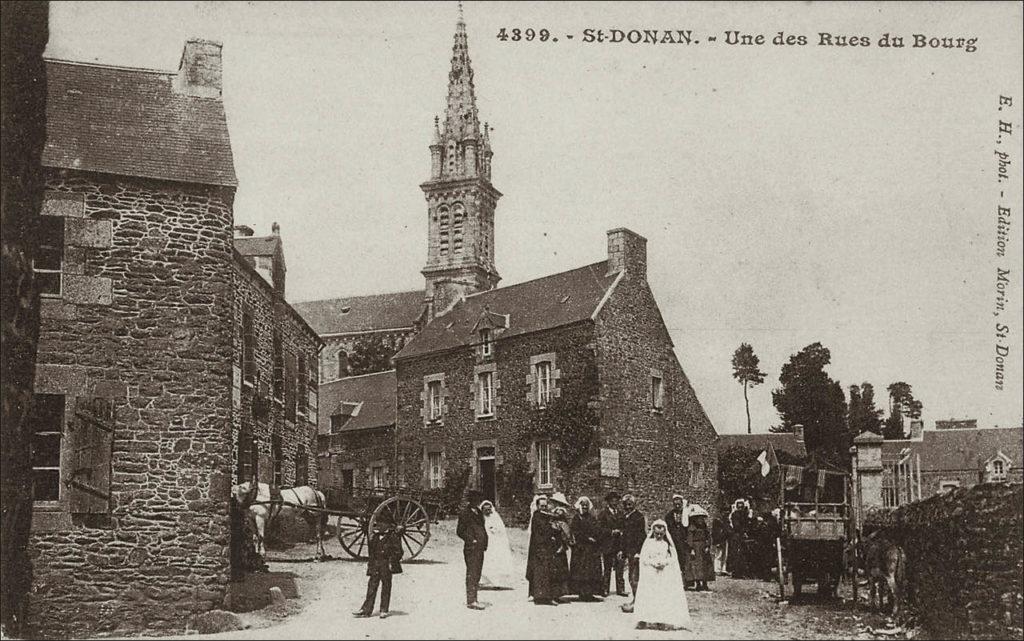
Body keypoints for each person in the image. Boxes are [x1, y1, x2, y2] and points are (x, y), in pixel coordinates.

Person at [633, 520, 692, 631]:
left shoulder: (666, 545)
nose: (659, 536)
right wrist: (653, 563)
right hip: (650, 573)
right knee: (648, 595)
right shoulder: (648, 543)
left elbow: (673, 558)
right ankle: (643, 619)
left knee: (661, 596)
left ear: (665, 533)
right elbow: (644, 558)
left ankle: (661, 619)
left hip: (662, 573)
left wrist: (664, 563)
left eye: (661, 534)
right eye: (657, 533)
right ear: (653, 532)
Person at [352, 526, 403, 619]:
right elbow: (371, 554)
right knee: (372, 586)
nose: (378, 527)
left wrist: (391, 561)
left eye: (381, 525)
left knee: (386, 587)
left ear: (386, 526)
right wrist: (370, 566)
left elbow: (399, 552)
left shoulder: (392, 537)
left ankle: (384, 610)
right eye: (377, 525)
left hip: (386, 565)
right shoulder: (374, 537)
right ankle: (366, 609)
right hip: (376, 564)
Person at [526, 494, 563, 605]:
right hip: (539, 548)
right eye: (542, 506)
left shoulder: (547, 516)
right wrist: (551, 532)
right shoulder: (537, 516)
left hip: (546, 548)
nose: (544, 508)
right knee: (542, 573)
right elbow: (542, 531)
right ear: (538, 507)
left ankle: (545, 596)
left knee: (548, 572)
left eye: (545, 506)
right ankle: (542, 597)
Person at [456, 489, 488, 610]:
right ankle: (471, 600)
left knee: (477, 573)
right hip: (471, 547)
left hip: (479, 547)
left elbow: (482, 528)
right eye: (476, 500)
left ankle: (474, 598)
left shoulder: (479, 513)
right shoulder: (465, 513)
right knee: (472, 573)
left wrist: (484, 542)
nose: (478, 502)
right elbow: (460, 531)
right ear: (472, 500)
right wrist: (471, 540)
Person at [569, 496, 604, 601]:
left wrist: (596, 537)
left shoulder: (591, 517)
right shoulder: (576, 518)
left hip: (591, 549)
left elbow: (597, 529)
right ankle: (582, 593)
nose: (584, 507)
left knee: (591, 571)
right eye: (583, 505)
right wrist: (587, 538)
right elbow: (575, 532)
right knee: (581, 571)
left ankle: (590, 593)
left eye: (586, 505)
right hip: (581, 549)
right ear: (579, 506)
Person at [479, 500, 516, 588]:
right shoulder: (480, 518)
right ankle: (484, 581)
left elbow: (501, 530)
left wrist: (495, 530)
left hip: (495, 542)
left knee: (496, 561)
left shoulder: (495, 517)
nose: (488, 512)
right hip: (485, 542)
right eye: (485, 510)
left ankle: (497, 582)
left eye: (489, 509)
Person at [620, 494, 647, 612]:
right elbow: (624, 536)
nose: (628, 507)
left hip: (636, 552)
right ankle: (636, 599)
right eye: (626, 505)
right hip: (629, 551)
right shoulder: (625, 517)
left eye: (630, 504)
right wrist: (622, 551)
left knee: (635, 577)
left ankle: (638, 601)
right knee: (631, 577)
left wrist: (638, 552)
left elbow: (641, 536)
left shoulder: (638, 517)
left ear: (634, 505)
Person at [597, 491, 627, 597]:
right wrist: (611, 531)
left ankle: (621, 589)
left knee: (620, 567)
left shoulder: (621, 513)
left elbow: (624, 526)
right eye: (612, 500)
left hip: (618, 544)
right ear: (608, 502)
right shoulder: (603, 514)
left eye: (616, 500)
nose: (615, 502)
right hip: (608, 544)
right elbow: (600, 529)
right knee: (607, 568)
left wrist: (621, 531)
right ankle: (605, 589)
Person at [684, 504, 714, 591]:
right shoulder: (692, 527)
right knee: (696, 566)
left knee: (705, 566)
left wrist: (708, 546)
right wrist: (692, 549)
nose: (700, 520)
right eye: (698, 518)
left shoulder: (704, 527)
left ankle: (705, 583)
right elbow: (690, 539)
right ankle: (698, 584)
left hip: (703, 548)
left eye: (701, 518)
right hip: (696, 548)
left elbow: (708, 536)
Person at [549, 493, 574, 600]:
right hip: (552, 545)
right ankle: (553, 593)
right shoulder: (551, 516)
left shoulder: (562, 519)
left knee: (559, 569)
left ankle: (558, 593)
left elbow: (566, 534)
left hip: (560, 545)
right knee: (553, 569)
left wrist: (564, 543)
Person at [664, 494, 689, 586]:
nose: (677, 506)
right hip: (673, 541)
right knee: (674, 560)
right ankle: (675, 581)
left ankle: (685, 582)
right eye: (675, 505)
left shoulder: (686, 515)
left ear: (682, 504)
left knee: (685, 561)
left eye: (679, 504)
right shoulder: (669, 516)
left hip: (684, 541)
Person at [727, 498, 751, 578]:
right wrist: (743, 531)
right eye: (739, 507)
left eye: (742, 507)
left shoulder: (745, 514)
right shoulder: (735, 514)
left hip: (742, 535)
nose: (740, 508)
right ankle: (736, 572)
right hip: (737, 536)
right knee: (737, 554)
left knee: (743, 554)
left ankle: (742, 572)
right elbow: (736, 526)